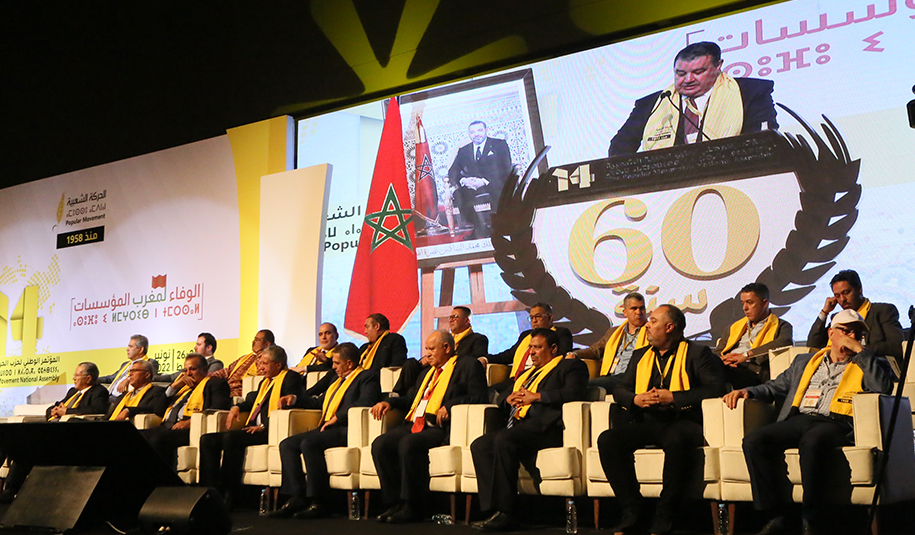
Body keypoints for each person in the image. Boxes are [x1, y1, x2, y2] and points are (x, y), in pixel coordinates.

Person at [724, 309, 893, 535]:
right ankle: (776, 516)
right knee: (754, 440)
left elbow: (883, 388)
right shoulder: (805, 361)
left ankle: (811, 518)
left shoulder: (871, 362)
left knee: (812, 441)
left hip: (837, 421)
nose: (851, 336)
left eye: (857, 333)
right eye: (846, 331)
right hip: (800, 417)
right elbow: (776, 386)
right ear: (831, 333)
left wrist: (861, 353)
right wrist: (749, 391)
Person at [597, 305, 726, 535]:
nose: (647, 325)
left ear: (670, 327)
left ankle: (666, 514)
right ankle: (632, 510)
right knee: (608, 439)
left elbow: (715, 388)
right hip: (647, 421)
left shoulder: (697, 353)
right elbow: (620, 389)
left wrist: (674, 398)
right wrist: (636, 399)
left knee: (676, 438)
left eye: (654, 321)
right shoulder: (641, 355)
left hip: (683, 420)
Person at [470, 329, 589, 531]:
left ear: (553, 348)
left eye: (538, 347)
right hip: (520, 426)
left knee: (503, 440)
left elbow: (574, 392)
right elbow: (503, 395)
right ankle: (492, 510)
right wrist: (508, 399)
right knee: (480, 445)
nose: (531, 352)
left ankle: (508, 513)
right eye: (530, 347)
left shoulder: (570, 366)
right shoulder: (527, 374)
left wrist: (537, 397)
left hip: (546, 426)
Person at [371, 330, 488, 523]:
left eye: (432, 349)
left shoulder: (467, 365)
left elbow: (479, 396)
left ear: (447, 348)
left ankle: (412, 506)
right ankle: (394, 503)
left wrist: (450, 405)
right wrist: (389, 403)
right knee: (381, 444)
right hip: (416, 423)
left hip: (440, 427)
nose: (428, 354)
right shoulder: (427, 373)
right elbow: (412, 400)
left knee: (408, 444)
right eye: (426, 349)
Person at [270, 343, 381, 518]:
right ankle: (296, 497)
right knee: (287, 444)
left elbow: (365, 402)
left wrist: (338, 417)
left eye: (336, 363)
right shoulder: (337, 380)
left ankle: (319, 501)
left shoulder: (367, 377)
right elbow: (319, 402)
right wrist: (295, 399)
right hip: (327, 427)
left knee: (309, 443)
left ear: (349, 363)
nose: (333, 367)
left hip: (347, 429)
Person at [608, 41, 778, 156]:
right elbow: (619, 147)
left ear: (718, 66)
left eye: (698, 72)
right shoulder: (653, 103)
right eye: (680, 74)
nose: (688, 80)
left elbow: (763, 143)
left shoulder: (751, 92)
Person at [198, 345, 303, 505]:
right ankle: (208, 492)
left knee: (230, 438)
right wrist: (236, 407)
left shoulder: (290, 378)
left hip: (270, 430)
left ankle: (230, 492)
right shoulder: (265, 382)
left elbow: (290, 404)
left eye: (265, 364)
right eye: (260, 363)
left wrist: (263, 426)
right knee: (207, 439)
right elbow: (253, 402)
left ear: (278, 364)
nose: (260, 368)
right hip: (253, 427)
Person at [0, 362, 110, 503]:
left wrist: (67, 412)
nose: (74, 378)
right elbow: (56, 405)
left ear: (88, 378)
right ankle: (10, 490)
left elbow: (97, 410)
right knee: (20, 449)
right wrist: (53, 411)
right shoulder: (72, 392)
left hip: (70, 438)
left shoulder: (98, 391)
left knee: (27, 449)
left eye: (77, 375)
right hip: (52, 432)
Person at [140, 353, 232, 470]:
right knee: (136, 436)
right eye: (185, 370)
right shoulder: (182, 388)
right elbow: (158, 411)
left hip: (188, 429)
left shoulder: (214, 384)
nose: (188, 374)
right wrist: (173, 387)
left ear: (205, 369)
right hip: (166, 426)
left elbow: (217, 408)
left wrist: (189, 422)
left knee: (158, 439)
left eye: (193, 369)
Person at [806, 269, 903, 360]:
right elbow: (813, 345)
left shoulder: (882, 311)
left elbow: (896, 346)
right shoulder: (838, 317)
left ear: (860, 290)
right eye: (837, 296)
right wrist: (824, 312)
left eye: (846, 293)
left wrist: (856, 349)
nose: (842, 299)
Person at [481, 303, 573, 392]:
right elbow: (508, 355)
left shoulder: (560, 333)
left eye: (538, 316)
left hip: (539, 377)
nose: (534, 321)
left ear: (550, 318)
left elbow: (562, 354)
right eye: (532, 317)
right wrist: (486, 359)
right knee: (488, 392)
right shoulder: (526, 335)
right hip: (517, 378)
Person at [308, 314, 407, 396]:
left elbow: (398, 363)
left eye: (367, 327)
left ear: (377, 326)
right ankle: (309, 394)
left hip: (371, 379)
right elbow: (348, 361)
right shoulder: (365, 347)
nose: (365, 332)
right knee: (334, 372)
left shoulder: (393, 339)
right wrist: (327, 360)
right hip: (356, 375)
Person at [716, 283, 794, 387]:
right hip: (727, 367)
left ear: (764, 303)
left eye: (750, 302)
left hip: (753, 371)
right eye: (743, 303)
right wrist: (721, 360)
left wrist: (745, 355)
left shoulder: (781, 326)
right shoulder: (734, 327)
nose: (745, 308)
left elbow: (784, 342)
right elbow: (718, 351)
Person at [570, 292, 648, 395]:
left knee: (581, 385)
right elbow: (595, 350)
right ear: (625, 312)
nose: (639, 312)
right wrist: (575, 354)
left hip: (632, 377)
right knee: (575, 384)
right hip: (610, 376)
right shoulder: (614, 332)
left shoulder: (651, 333)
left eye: (642, 308)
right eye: (634, 308)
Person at [447, 121, 513, 239]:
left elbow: (505, 167)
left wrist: (484, 181)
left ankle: (497, 227)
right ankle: (479, 227)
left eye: (479, 130)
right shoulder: (464, 150)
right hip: (472, 186)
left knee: (499, 191)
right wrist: (463, 180)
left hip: (494, 183)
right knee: (458, 195)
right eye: (472, 132)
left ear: (486, 130)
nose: (476, 134)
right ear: (469, 134)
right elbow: (453, 171)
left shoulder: (499, 144)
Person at [208, 329, 275, 397]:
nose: (253, 342)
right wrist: (207, 375)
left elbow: (262, 377)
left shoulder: (266, 360)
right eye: (254, 339)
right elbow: (228, 371)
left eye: (257, 340)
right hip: (227, 388)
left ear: (266, 344)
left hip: (240, 392)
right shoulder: (246, 357)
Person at [98, 334, 159, 401]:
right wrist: (94, 379)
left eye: (131, 347)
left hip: (124, 398)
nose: (127, 349)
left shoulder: (150, 363)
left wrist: (129, 379)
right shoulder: (125, 364)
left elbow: (150, 377)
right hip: (109, 396)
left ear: (141, 349)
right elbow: (111, 378)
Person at [153, 332, 224, 382]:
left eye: (199, 345)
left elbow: (205, 379)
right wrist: (152, 378)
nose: (195, 348)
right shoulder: (191, 363)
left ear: (209, 348)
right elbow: (173, 377)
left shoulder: (216, 363)